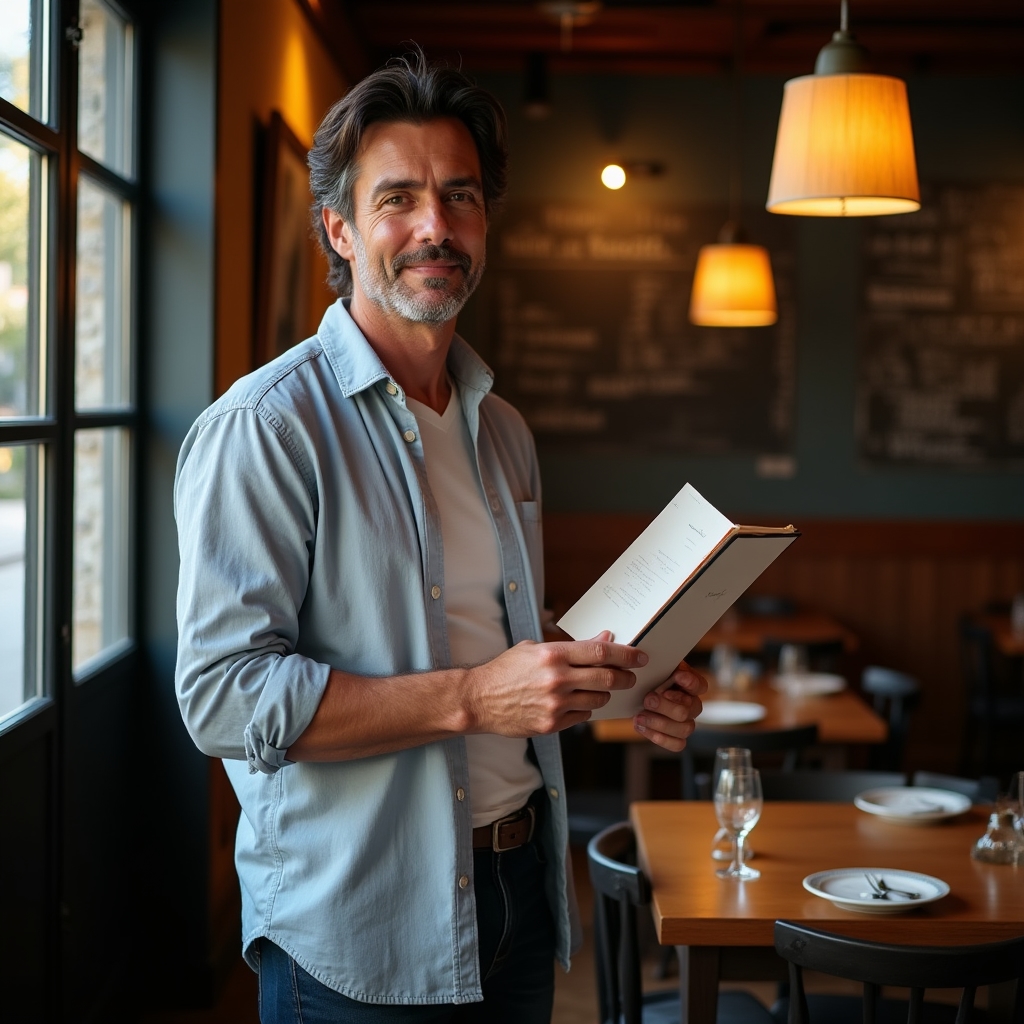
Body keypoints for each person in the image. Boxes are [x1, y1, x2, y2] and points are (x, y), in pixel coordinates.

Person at [173, 51, 706, 1024]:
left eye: (459, 197)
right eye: (399, 198)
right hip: (357, 925)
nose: (435, 226)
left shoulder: (501, 429)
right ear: (338, 227)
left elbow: (493, 645)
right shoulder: (268, 425)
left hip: (517, 899)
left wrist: (623, 677)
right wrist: (472, 698)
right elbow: (219, 698)